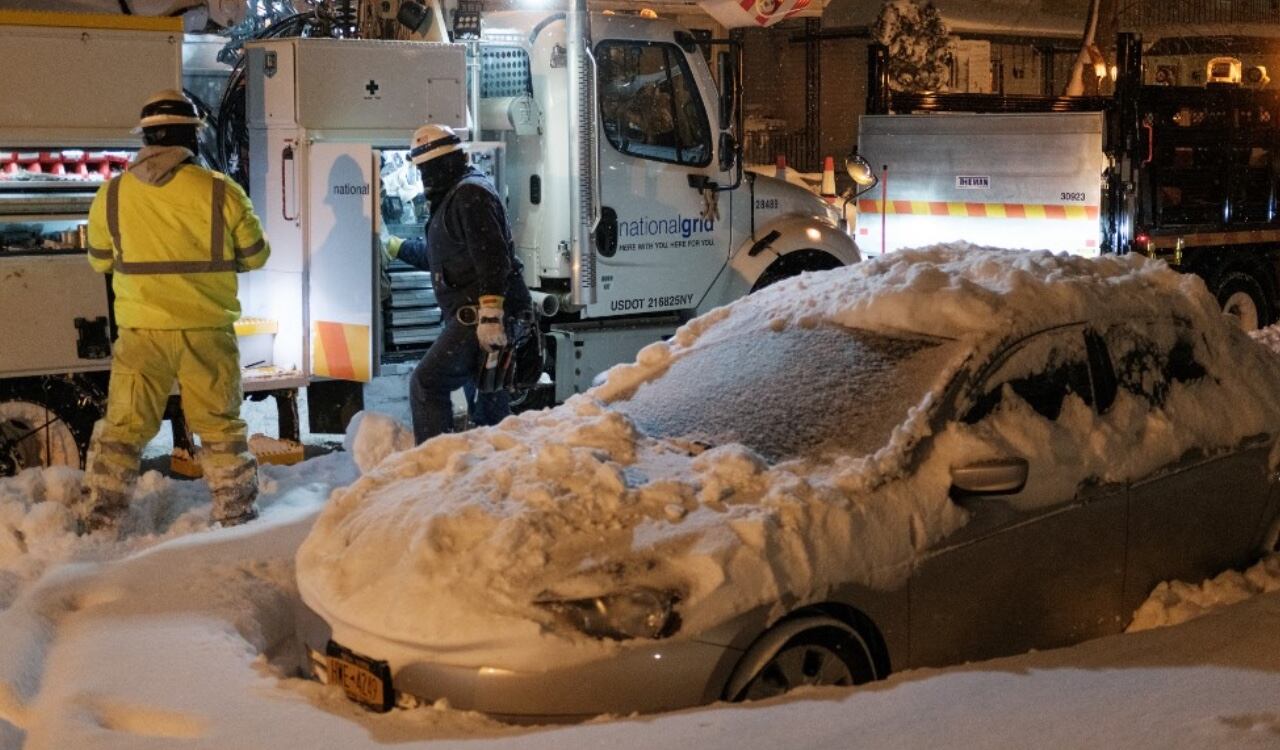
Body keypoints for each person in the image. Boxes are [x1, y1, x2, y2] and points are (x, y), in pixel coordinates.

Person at [81, 89, 271, 535]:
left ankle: (101, 520)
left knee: (123, 430)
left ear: (146, 137)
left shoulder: (111, 195)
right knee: (221, 429)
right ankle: (236, 515)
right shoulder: (222, 192)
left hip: (142, 334)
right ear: (191, 136)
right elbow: (256, 255)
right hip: (206, 332)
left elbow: (98, 260)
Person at [384, 123, 532, 443]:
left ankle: (436, 467)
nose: (422, 178)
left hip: (484, 315)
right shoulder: (456, 193)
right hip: (478, 315)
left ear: (441, 164)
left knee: (427, 383)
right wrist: (397, 247)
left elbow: (493, 257)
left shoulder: (469, 194)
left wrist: (491, 317)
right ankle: (488, 470)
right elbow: (445, 258)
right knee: (488, 406)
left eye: (425, 169)